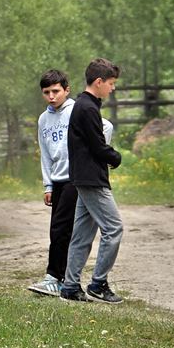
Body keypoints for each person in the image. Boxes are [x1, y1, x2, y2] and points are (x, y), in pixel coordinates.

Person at [60, 58, 125, 304]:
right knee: (113, 228)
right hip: (91, 178)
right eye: (111, 83)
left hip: (83, 177)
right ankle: (98, 284)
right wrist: (115, 157)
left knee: (82, 235)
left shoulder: (85, 106)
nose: (113, 88)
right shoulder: (87, 108)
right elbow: (98, 147)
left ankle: (70, 286)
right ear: (98, 82)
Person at [28, 70, 76, 297]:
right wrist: (48, 186)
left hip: (75, 178)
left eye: (56, 91)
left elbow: (105, 127)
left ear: (66, 90)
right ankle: (62, 278)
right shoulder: (43, 119)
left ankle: (55, 277)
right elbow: (45, 154)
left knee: (64, 230)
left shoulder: (76, 111)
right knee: (59, 230)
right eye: (46, 92)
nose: (51, 96)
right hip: (57, 180)